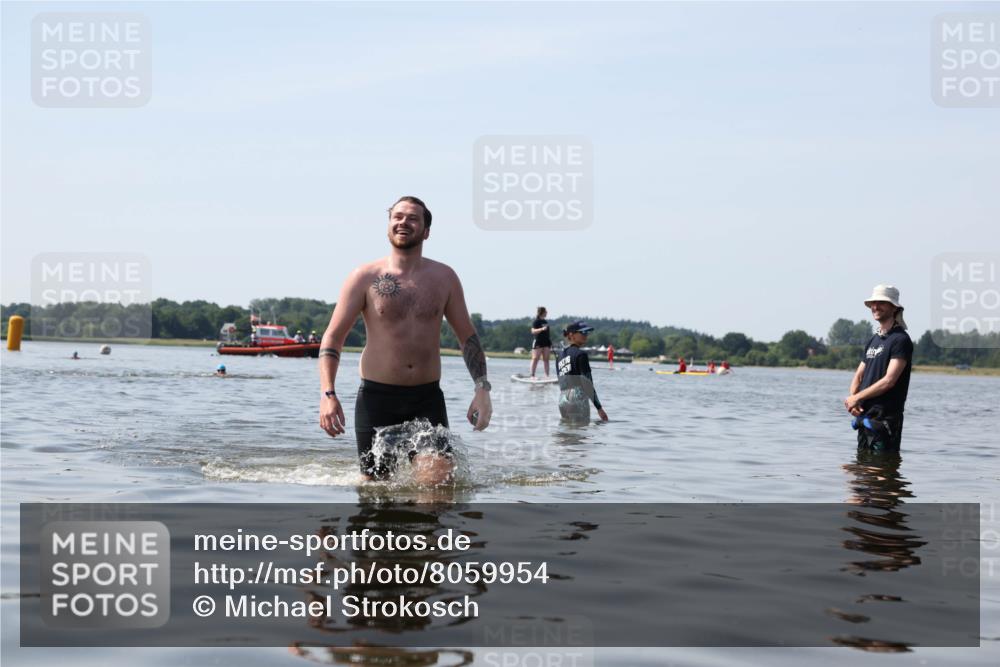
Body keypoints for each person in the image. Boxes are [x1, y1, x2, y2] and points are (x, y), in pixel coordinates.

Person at [318, 196, 492, 485]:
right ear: (388, 225)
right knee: (376, 494)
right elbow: (333, 338)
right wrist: (328, 394)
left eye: (412, 218)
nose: (403, 222)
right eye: (397, 216)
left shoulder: (444, 278)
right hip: (376, 400)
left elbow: (467, 337)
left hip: (427, 400)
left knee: (438, 487)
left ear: (426, 231)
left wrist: (482, 389)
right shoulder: (364, 277)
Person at [845, 285, 913, 450]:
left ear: (894, 307)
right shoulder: (873, 340)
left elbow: (889, 381)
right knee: (860, 465)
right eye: (873, 303)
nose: (875, 306)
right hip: (864, 417)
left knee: (883, 465)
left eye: (881, 302)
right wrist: (854, 401)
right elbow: (858, 376)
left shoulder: (901, 340)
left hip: (885, 420)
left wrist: (857, 397)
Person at [556, 321, 608, 423]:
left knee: (566, 431)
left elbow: (561, 382)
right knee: (581, 430)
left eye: (587, 333)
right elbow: (587, 383)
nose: (586, 335)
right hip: (577, 397)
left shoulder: (559, 356)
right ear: (572, 335)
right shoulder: (581, 355)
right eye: (583, 332)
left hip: (562, 399)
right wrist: (599, 408)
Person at [529, 306, 552, 378]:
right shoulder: (536, 321)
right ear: (542, 312)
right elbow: (533, 331)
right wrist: (541, 329)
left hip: (546, 342)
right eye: (545, 311)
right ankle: (532, 375)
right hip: (538, 342)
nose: (547, 312)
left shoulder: (545, 322)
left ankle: (547, 376)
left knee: (546, 359)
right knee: (535, 358)